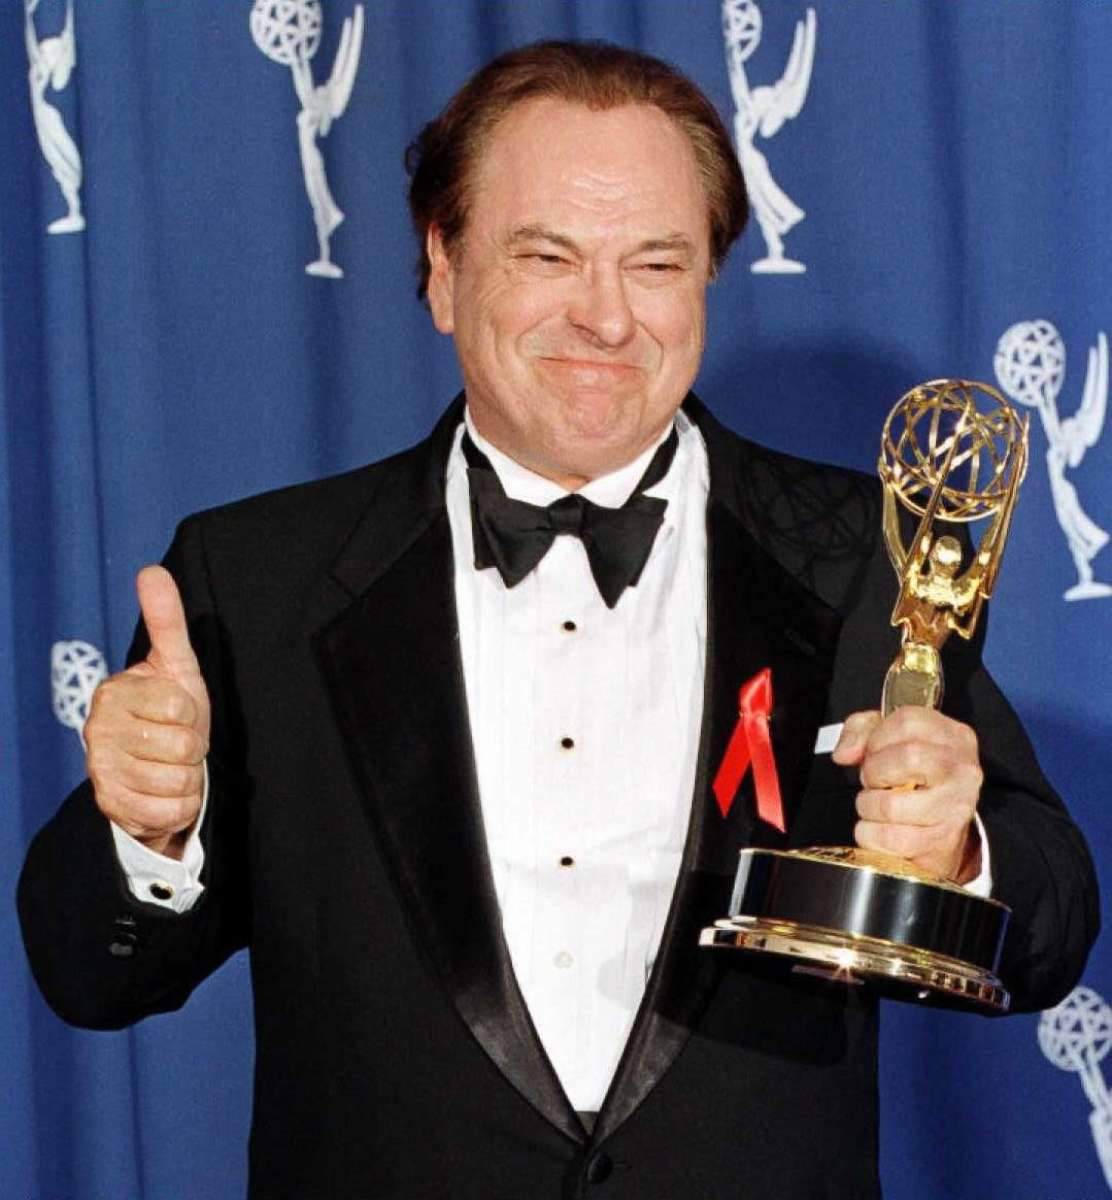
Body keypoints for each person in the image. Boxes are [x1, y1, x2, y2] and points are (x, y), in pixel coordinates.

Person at [18, 40, 1098, 1199]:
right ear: (441, 266)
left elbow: (1047, 927)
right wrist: (144, 833)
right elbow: (94, 978)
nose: (604, 318)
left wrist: (952, 852)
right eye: (547, 255)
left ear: (704, 281)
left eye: (654, 263)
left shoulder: (862, 554)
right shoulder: (253, 577)